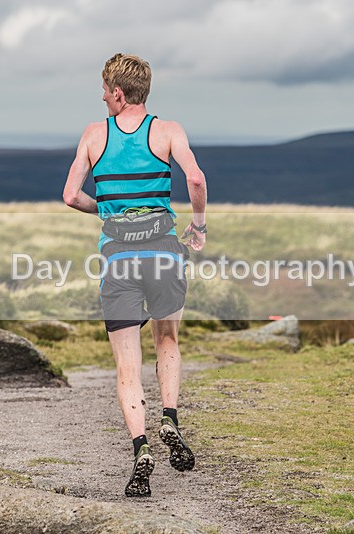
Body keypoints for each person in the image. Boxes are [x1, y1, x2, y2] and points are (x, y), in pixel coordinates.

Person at [62, 53, 208, 497]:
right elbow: (196, 179)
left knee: (127, 363)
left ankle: (140, 447)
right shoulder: (168, 131)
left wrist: (105, 209)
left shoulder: (93, 135)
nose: (103, 97)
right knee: (168, 339)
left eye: (106, 90)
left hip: (118, 259)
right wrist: (197, 226)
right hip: (164, 252)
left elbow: (70, 196)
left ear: (119, 93)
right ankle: (170, 417)